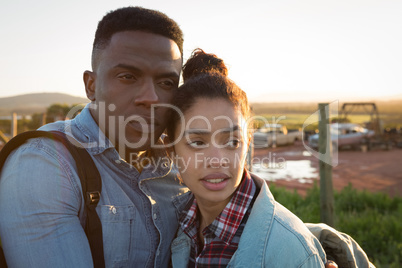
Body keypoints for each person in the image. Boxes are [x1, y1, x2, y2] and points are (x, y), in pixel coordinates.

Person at [0, 7, 187, 267]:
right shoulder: (44, 163)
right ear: (91, 86)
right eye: (128, 77)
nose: (151, 98)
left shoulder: (182, 165)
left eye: (166, 83)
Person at [167, 49, 373, 267]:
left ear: (248, 143)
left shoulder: (292, 251)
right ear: (171, 152)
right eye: (198, 143)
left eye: (232, 142)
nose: (218, 160)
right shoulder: (172, 225)